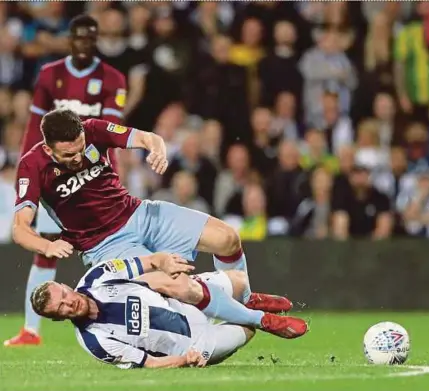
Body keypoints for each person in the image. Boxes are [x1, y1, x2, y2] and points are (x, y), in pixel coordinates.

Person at [8, 109, 294, 346]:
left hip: (139, 213)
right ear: (48, 148)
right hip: (106, 246)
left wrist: (158, 150)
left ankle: (245, 299)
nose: (78, 159)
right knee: (180, 286)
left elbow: (147, 138)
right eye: (68, 156)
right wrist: (47, 245)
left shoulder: (93, 129)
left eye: (80, 150)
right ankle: (256, 319)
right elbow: (20, 228)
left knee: (227, 239)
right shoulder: (32, 166)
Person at [5, 15, 127, 347]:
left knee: (109, 250)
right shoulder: (49, 75)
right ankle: (31, 330)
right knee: (44, 248)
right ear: (70, 40)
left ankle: (120, 317)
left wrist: (110, 180)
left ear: (96, 41)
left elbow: (109, 136)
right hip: (54, 180)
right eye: (78, 38)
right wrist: (26, 175)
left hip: (91, 177)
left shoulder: (113, 79)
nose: (83, 44)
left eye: (90, 39)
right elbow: (33, 131)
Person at [30, 254, 309, 368]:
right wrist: (183, 360)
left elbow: (147, 263)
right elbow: (148, 363)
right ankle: (254, 318)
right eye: (62, 308)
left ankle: (249, 303)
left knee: (239, 280)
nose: (70, 302)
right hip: (192, 344)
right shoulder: (95, 342)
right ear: (58, 318)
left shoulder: (98, 275)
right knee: (246, 332)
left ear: (65, 285)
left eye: (64, 295)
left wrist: (166, 262)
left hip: (184, 304)